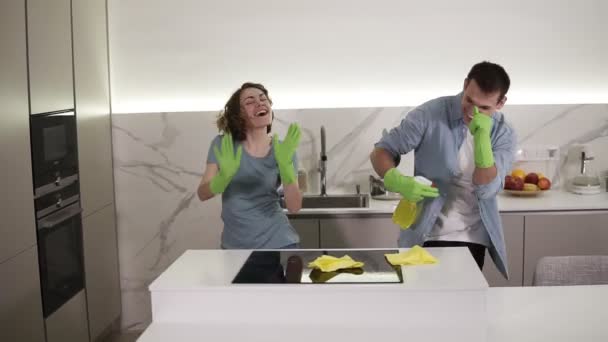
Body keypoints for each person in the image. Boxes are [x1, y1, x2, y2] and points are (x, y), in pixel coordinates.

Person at [370, 61, 516, 278]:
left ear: (501, 103)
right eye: (469, 100)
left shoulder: (503, 133)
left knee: (461, 306)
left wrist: (482, 140)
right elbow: (382, 151)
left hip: (470, 237)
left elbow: (486, 190)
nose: (472, 112)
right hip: (424, 234)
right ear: (465, 85)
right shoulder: (430, 114)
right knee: (417, 306)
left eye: (484, 108)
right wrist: (395, 179)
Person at [197, 82, 303, 249]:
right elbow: (202, 194)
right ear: (238, 114)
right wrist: (222, 179)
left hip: (279, 243)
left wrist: (286, 168)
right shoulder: (223, 145)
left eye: (263, 99)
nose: (260, 103)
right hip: (234, 246)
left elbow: (295, 207)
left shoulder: (284, 150)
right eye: (250, 101)